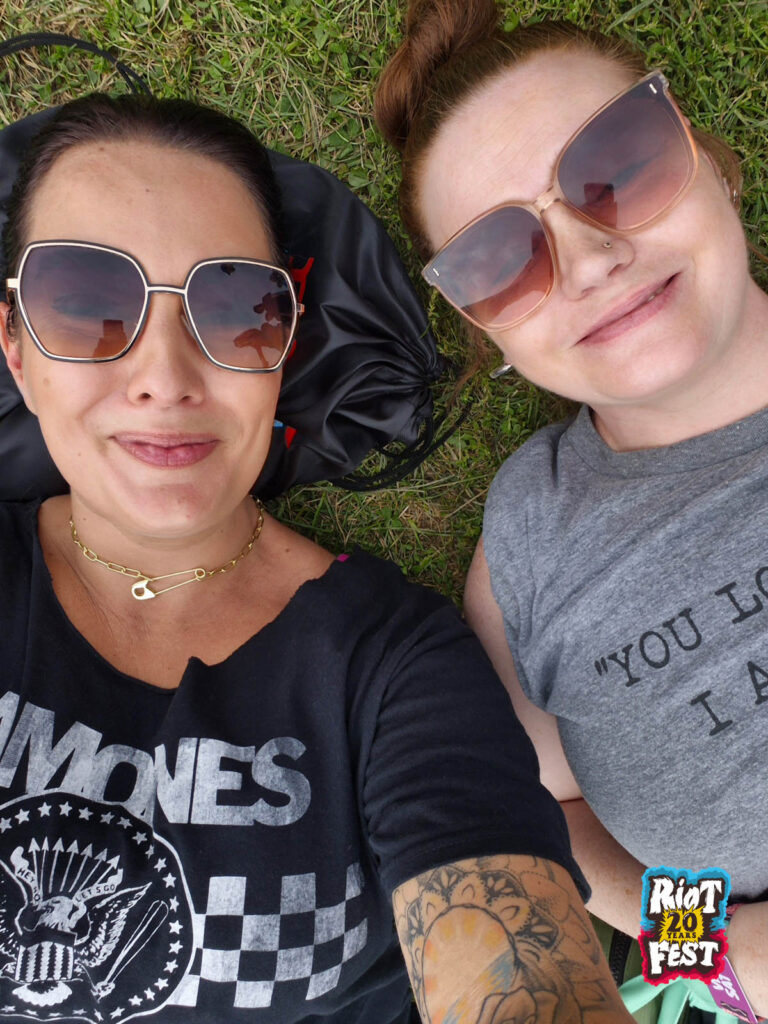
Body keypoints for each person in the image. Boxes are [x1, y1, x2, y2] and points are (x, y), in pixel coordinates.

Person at [0, 91, 634, 1024]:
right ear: (16, 350)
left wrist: (703, 949)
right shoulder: (546, 516)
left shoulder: (393, 665)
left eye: (234, 309)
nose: (165, 378)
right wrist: (708, 946)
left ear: (283, 351)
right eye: (87, 304)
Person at [376, 0, 768, 1016]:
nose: (591, 259)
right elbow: (555, 820)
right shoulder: (529, 538)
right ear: (487, 332)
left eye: (617, 168)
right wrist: (714, 952)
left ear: (710, 160)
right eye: (500, 262)